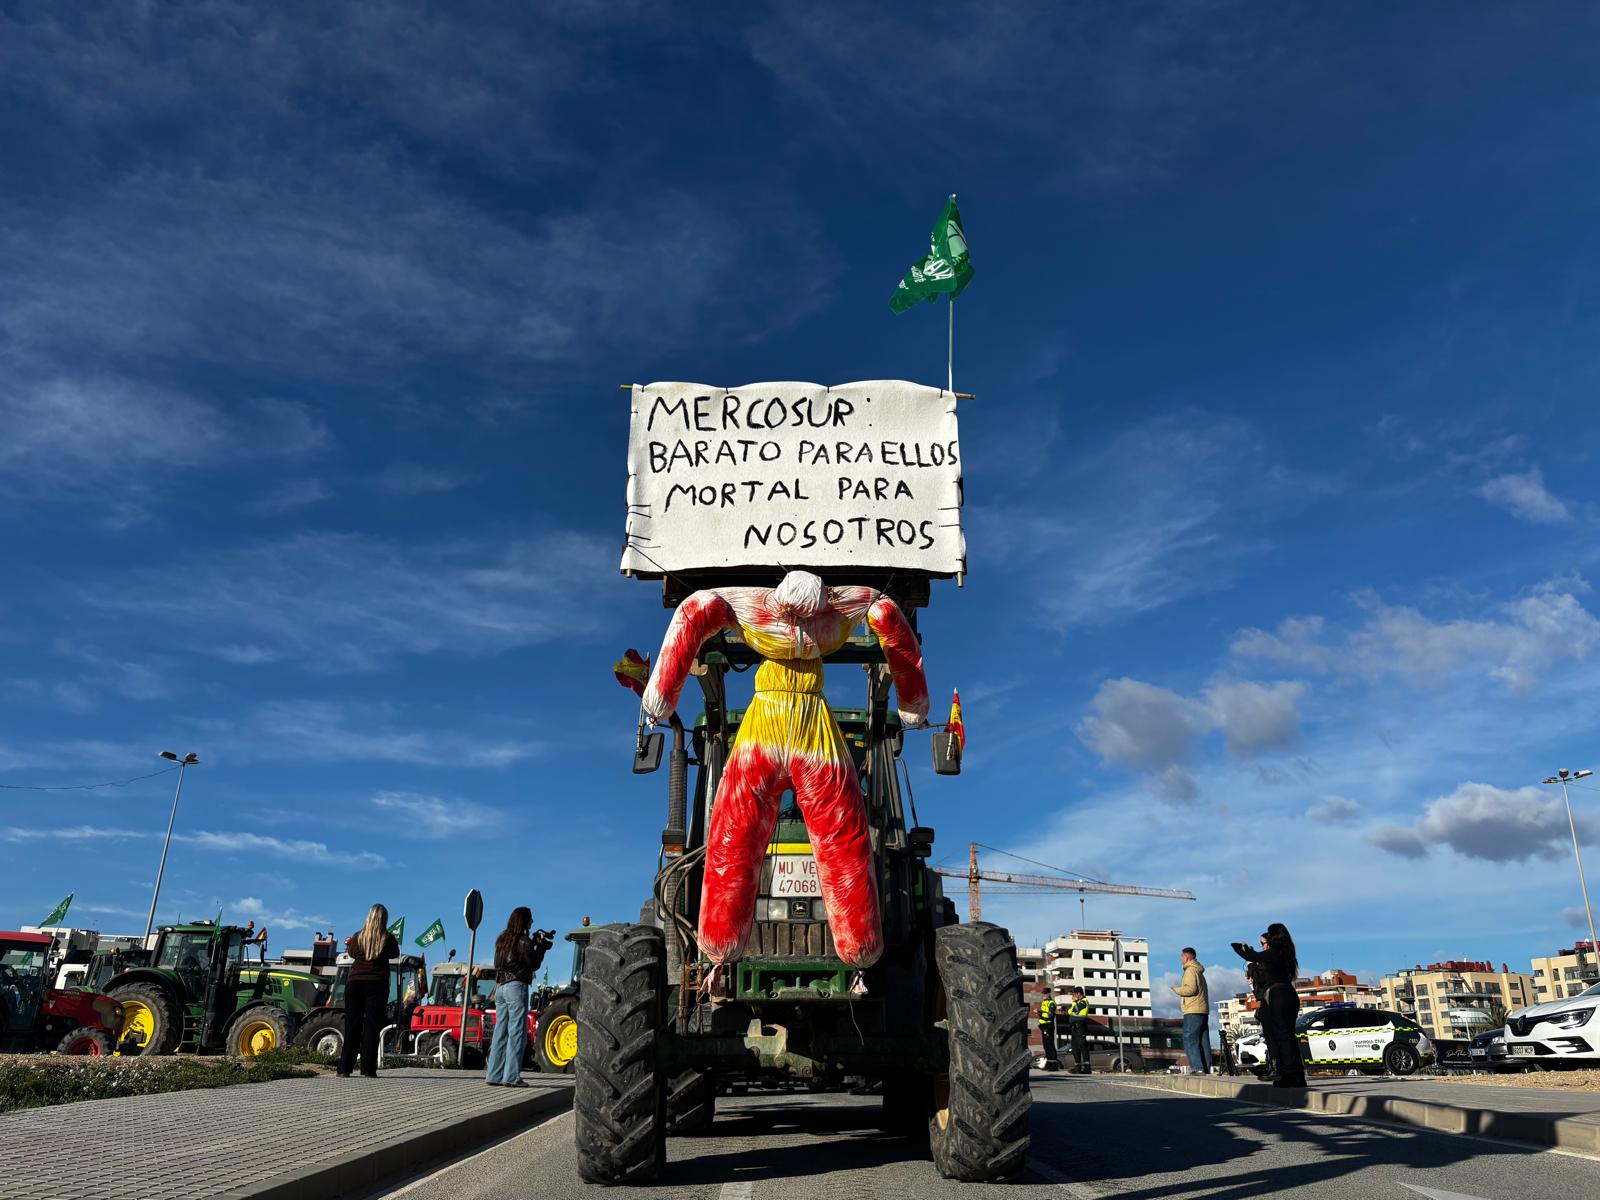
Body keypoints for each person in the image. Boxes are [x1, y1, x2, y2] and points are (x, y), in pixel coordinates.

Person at [640, 570, 928, 969]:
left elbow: (696, 610)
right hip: (811, 737)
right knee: (841, 835)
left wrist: (661, 695)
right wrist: (914, 701)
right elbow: (886, 616)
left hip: (769, 733)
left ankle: (724, 937)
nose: (799, 625)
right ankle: (858, 942)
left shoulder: (752, 607)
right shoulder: (844, 605)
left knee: (734, 832)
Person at [1232, 922, 1305, 1088]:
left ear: (1274, 938)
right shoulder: (1286, 953)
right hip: (1290, 995)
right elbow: (1257, 956)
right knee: (1289, 1036)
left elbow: (1251, 957)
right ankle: (1298, 1075)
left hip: (1278, 996)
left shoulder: (1273, 953)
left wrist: (1237, 947)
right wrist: (1251, 951)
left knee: (1282, 1037)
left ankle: (1290, 1076)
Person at [485, 906, 551, 1087]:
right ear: (524, 921)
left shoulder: (501, 940)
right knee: (517, 1032)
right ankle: (512, 1077)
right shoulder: (524, 942)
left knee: (500, 1031)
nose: (532, 921)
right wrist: (541, 948)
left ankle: (493, 1075)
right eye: (530, 919)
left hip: (500, 986)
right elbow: (533, 965)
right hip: (516, 986)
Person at [341, 904, 399, 1078]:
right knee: (372, 1027)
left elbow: (351, 953)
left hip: (355, 983)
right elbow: (395, 954)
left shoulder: (358, 937)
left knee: (352, 1025)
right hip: (377, 985)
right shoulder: (387, 939)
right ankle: (368, 1069)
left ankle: (344, 1068)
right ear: (384, 920)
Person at [1172, 947, 1212, 1074]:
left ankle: (1197, 1068)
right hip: (1202, 1010)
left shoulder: (1190, 971)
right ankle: (1205, 1068)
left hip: (1193, 1010)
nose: (1181, 960)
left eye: (1181, 958)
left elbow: (1190, 989)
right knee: (1203, 1041)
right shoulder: (1199, 971)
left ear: (1186, 957)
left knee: (1190, 1039)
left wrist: (1176, 989)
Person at [1245, 961, 1275, 1079]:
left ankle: (1276, 1068)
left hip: (1269, 1005)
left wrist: (1251, 965)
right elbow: (1258, 994)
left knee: (1272, 1038)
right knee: (1270, 1039)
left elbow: (1261, 986)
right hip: (1266, 1004)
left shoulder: (1265, 967)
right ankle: (1274, 1067)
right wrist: (1252, 986)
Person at [1064, 986, 1091, 1073]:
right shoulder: (1078, 1002)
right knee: (1075, 1047)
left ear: (1079, 993)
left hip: (1080, 1027)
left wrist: (1074, 1002)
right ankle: (1077, 1066)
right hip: (1074, 1027)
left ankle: (1087, 1067)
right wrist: (1074, 1003)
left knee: (1082, 1046)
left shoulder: (1084, 1002)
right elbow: (1070, 1011)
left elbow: (1072, 1011)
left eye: (1074, 994)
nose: (1073, 995)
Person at [1038, 994, 1060, 1069]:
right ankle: (1049, 1062)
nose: (1043, 996)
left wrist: (1042, 1012)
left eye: (1045, 994)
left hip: (1048, 1025)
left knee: (1050, 1044)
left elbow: (1050, 1015)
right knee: (1046, 1045)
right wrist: (1040, 1013)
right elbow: (1043, 1014)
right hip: (1043, 1025)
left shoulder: (1051, 1003)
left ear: (1049, 995)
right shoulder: (1043, 1003)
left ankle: (1054, 1064)